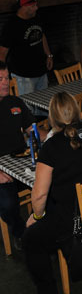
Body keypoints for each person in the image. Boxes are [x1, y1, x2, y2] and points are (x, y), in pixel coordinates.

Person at [23, 92, 82, 294]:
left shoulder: (51, 147)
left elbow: (39, 195)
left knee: (30, 238)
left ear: (52, 118)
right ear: (76, 110)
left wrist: (36, 216)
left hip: (74, 222)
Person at [0, 60, 34, 247]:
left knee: (52, 185)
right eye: (0, 79)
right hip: (1, 170)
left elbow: (32, 130)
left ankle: (41, 226)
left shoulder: (16, 102)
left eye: (7, 78)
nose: (6, 82)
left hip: (22, 162)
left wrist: (53, 136)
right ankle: (21, 233)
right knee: (8, 204)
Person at [0, 0, 53, 95]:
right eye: (33, 6)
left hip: (41, 72)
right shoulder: (11, 26)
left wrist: (49, 55)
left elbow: (42, 35)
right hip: (23, 77)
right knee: (27, 104)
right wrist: (3, 76)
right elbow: (2, 53)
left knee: (44, 102)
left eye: (36, 5)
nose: (36, 8)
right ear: (24, 7)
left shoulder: (36, 17)